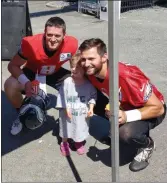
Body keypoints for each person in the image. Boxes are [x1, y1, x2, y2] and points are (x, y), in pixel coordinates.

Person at [78, 38, 166, 172]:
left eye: (91, 58)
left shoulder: (125, 75)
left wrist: (126, 116)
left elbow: (158, 108)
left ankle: (147, 144)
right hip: (125, 104)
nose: (86, 63)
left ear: (104, 57)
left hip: (150, 109)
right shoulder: (91, 71)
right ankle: (119, 126)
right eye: (83, 59)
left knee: (125, 133)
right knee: (90, 101)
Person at [4, 16, 78, 135]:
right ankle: (22, 113)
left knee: (74, 85)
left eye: (57, 36)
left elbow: (74, 57)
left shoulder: (72, 43)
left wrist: (74, 71)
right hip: (33, 71)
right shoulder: (30, 43)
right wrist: (26, 82)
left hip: (55, 72)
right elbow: (12, 65)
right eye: (49, 35)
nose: (53, 39)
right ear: (44, 33)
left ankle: (66, 119)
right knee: (10, 85)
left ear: (64, 35)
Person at [56, 52, 97, 156]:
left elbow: (92, 96)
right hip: (67, 111)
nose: (73, 69)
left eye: (77, 68)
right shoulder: (67, 82)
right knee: (66, 127)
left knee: (79, 127)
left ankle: (78, 142)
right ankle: (64, 143)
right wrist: (65, 108)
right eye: (72, 67)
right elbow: (62, 95)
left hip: (81, 112)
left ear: (84, 70)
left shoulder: (88, 85)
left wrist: (91, 108)